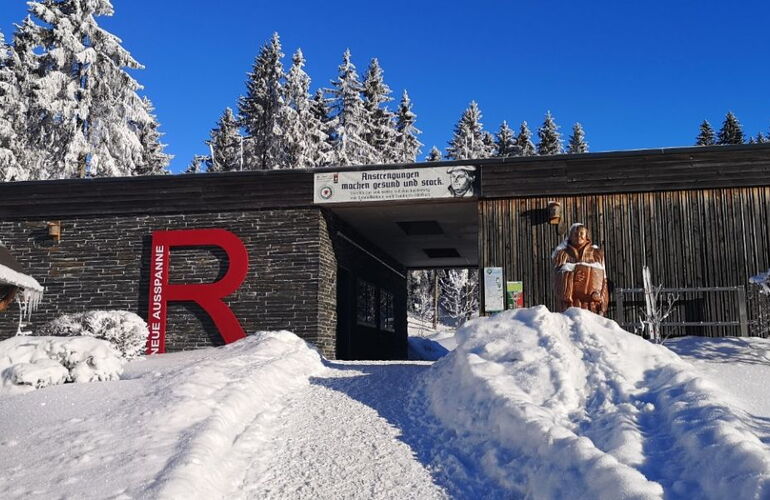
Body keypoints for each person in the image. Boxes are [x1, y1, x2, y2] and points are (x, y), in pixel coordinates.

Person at [552, 223, 609, 315]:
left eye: (581, 233)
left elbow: (604, 279)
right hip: (571, 304)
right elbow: (557, 279)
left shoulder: (596, 254)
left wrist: (603, 303)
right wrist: (571, 277)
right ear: (570, 236)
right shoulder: (562, 254)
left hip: (592, 304)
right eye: (575, 234)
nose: (579, 236)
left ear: (586, 235)